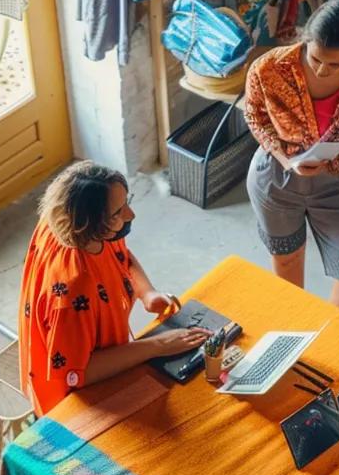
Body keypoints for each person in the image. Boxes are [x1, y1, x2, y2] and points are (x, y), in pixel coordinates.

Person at [17, 162, 209, 415]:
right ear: (87, 225)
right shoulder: (73, 292)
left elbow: (120, 254)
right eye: (118, 212)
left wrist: (146, 292)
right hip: (75, 400)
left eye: (126, 202)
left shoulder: (84, 228)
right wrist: (158, 345)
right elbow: (78, 373)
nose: (130, 214)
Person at [243, 0, 339, 315]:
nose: (321, 69)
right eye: (315, 58)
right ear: (305, 40)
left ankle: (337, 349)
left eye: (334, 65)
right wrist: (283, 156)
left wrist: (330, 164)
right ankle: (296, 348)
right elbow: (255, 117)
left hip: (335, 184)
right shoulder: (268, 68)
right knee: (287, 267)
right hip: (275, 179)